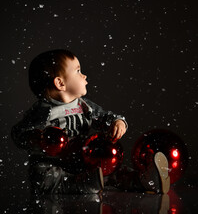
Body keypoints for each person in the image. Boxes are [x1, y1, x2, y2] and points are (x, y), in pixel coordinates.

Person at [11, 49, 170, 196]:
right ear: (60, 83)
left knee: (110, 171)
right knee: (47, 180)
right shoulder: (41, 112)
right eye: (78, 71)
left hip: (83, 159)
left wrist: (117, 122)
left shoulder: (83, 105)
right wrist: (34, 138)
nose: (84, 76)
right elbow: (18, 133)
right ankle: (82, 185)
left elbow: (104, 117)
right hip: (54, 164)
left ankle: (146, 180)